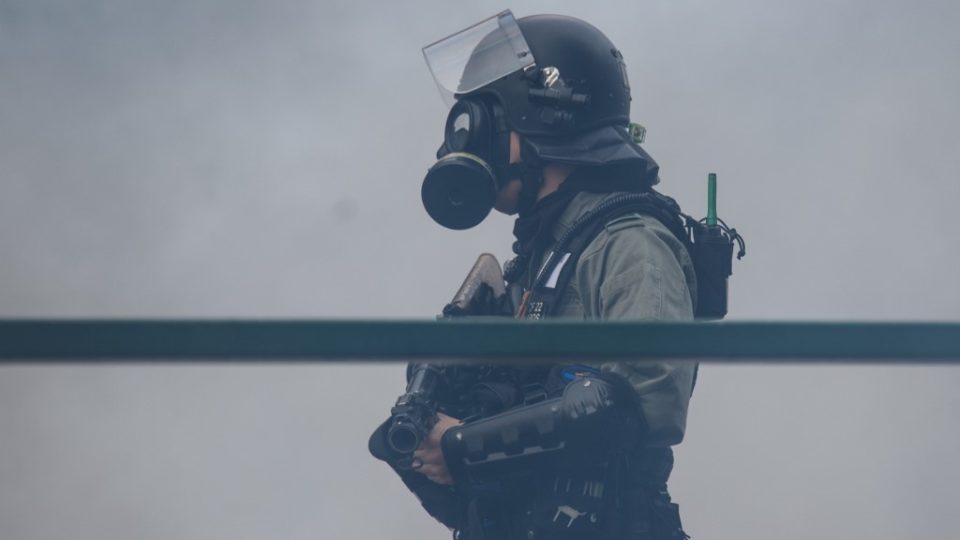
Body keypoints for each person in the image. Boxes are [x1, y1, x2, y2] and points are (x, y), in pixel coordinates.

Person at [372, 11, 700, 540]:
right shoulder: (539, 260)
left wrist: (464, 444)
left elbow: (645, 398)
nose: (468, 137)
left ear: (542, 118)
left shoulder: (629, 241)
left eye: (486, 117)